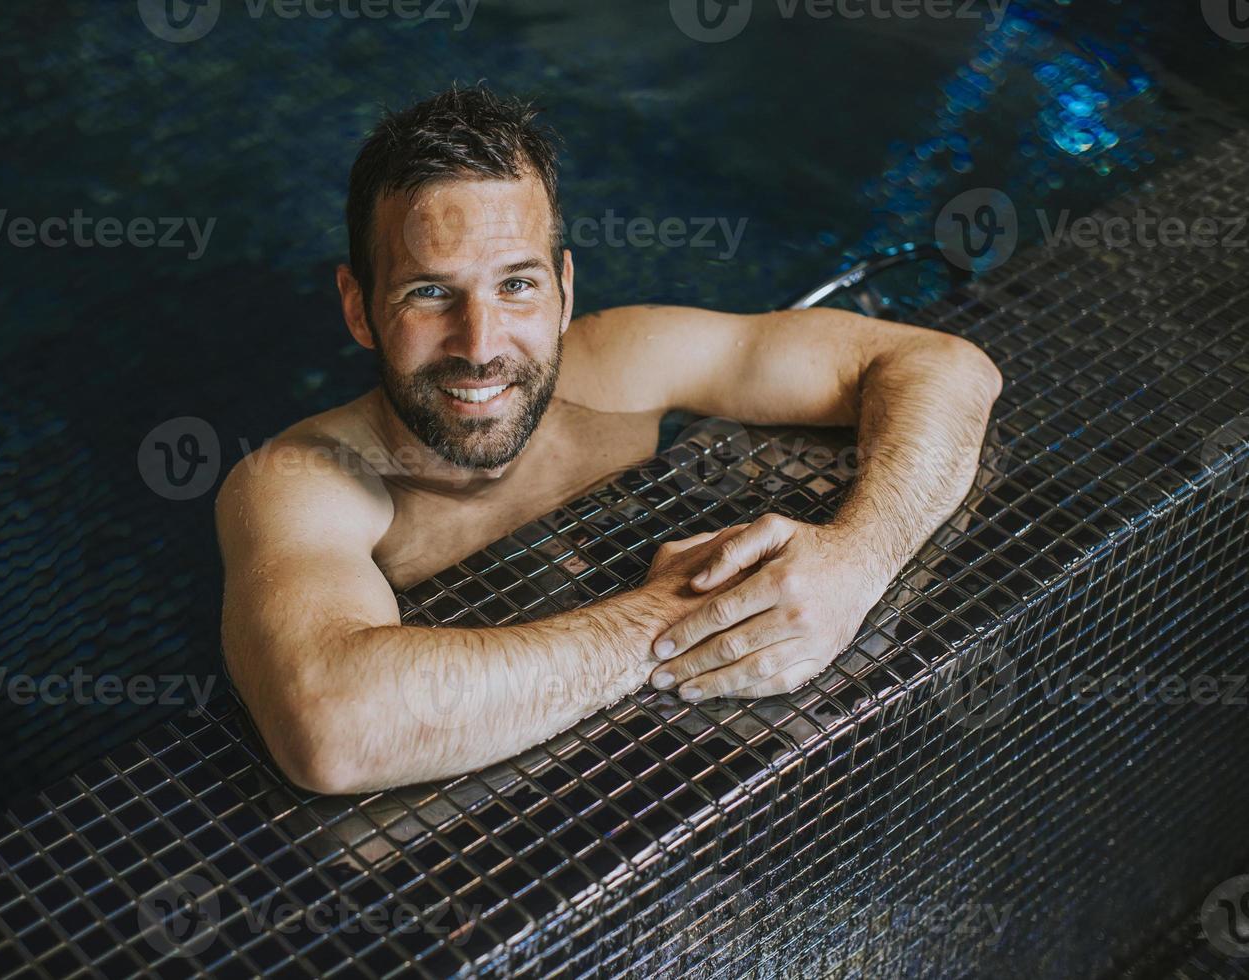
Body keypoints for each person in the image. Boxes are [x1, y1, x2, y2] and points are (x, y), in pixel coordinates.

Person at [215, 84, 1002, 794]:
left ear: (563, 290)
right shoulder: (306, 478)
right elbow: (334, 726)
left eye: (516, 284)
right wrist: (673, 618)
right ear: (359, 308)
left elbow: (944, 366)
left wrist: (857, 558)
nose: (480, 343)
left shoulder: (626, 360)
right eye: (430, 292)